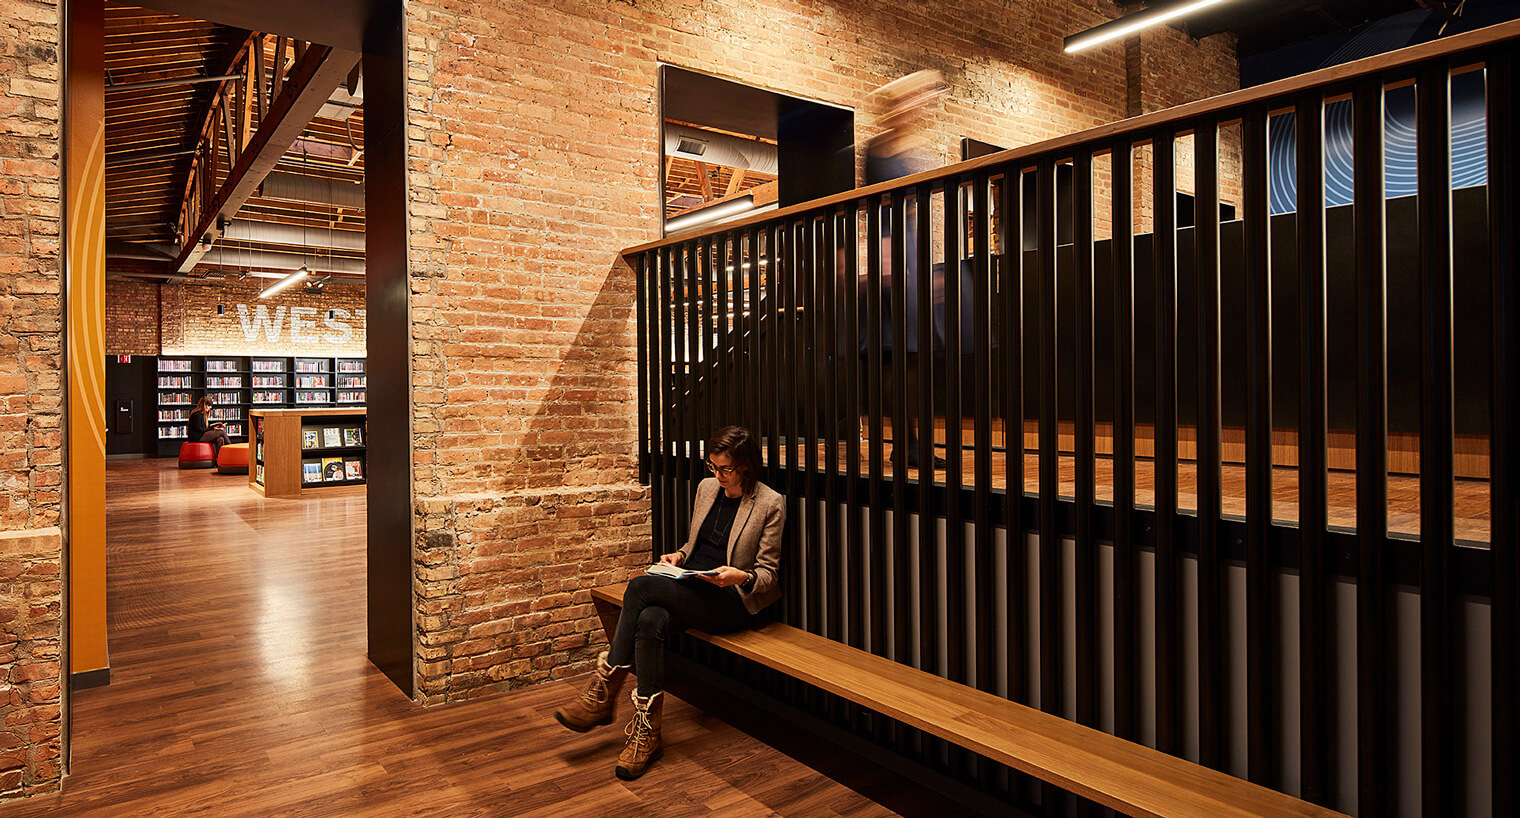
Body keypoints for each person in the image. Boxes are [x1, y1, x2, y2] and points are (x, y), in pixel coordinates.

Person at [555, 425, 784, 780]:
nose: (717, 475)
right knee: (649, 621)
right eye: (713, 466)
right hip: (693, 586)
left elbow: (768, 574)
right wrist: (678, 556)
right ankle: (648, 733)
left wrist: (739, 576)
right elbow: (697, 545)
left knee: (639, 588)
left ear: (745, 467)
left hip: (731, 600)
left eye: (725, 468)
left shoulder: (769, 502)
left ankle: (606, 687)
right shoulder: (707, 489)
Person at [860, 70, 948, 469]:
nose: (920, 105)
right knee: (901, 354)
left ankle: (913, 445)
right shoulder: (880, 148)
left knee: (914, 356)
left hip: (908, 249)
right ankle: (907, 445)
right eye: (915, 98)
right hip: (891, 250)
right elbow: (875, 204)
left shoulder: (910, 145)